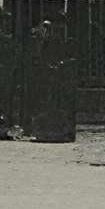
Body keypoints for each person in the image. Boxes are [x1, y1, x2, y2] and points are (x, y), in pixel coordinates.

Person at [25, 15, 79, 144]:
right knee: (52, 104)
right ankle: (52, 132)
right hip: (51, 76)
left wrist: (60, 64)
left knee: (61, 104)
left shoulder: (62, 40)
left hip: (61, 76)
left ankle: (63, 132)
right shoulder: (46, 41)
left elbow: (72, 57)